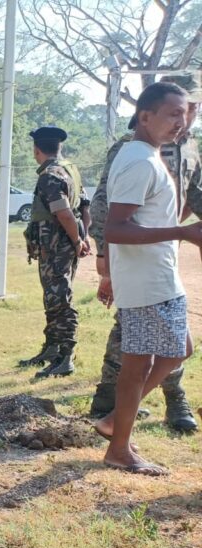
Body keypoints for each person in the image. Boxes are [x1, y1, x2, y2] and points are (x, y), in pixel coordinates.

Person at [93, 82, 202, 474]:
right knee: (137, 365)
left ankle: (114, 423)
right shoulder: (139, 161)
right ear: (144, 116)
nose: (181, 122)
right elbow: (116, 228)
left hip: (158, 275)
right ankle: (118, 448)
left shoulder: (148, 155)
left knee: (179, 349)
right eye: (173, 114)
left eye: (185, 114)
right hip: (146, 280)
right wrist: (182, 232)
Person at [18, 126, 92, 377]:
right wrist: (83, 237)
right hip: (62, 247)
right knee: (53, 298)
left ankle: (65, 357)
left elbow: (64, 212)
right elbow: (85, 207)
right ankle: (51, 349)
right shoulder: (70, 171)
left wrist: (78, 240)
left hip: (56, 248)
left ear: (36, 150)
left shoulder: (49, 176)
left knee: (60, 300)